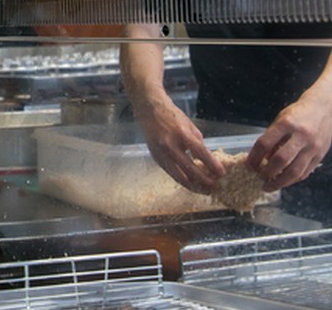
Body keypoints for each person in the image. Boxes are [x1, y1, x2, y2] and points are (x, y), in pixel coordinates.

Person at [121, 21, 332, 219]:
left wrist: (325, 103)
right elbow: (142, 21)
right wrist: (149, 101)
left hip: (320, 135)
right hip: (217, 141)